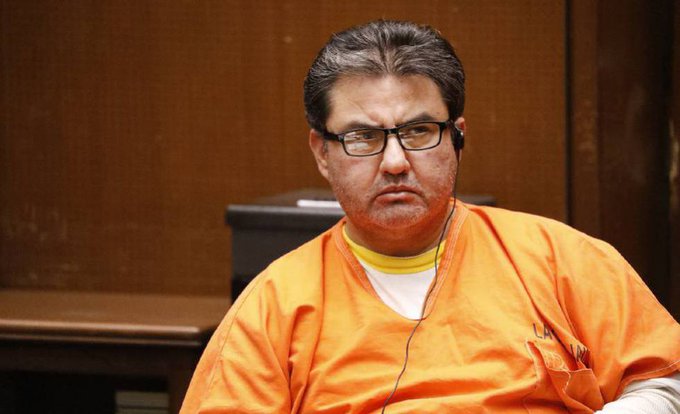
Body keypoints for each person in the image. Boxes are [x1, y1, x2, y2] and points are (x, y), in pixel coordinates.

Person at [181, 20, 680, 413]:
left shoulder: (562, 260)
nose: (395, 162)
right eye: (363, 137)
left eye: (419, 131)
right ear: (322, 152)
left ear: (457, 137)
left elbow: (665, 381)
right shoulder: (273, 308)